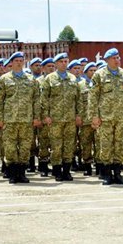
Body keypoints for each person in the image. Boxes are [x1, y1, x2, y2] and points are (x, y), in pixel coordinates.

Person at [0, 52, 42, 184]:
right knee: (10, 147)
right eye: (17, 60)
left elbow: (36, 100)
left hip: (27, 119)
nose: (19, 62)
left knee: (25, 147)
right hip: (9, 120)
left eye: (21, 60)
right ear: (11, 63)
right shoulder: (4, 80)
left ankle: (22, 173)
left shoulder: (31, 80)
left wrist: (37, 117)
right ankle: (13, 173)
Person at [88, 48, 123, 185]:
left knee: (120, 145)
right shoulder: (99, 75)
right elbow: (93, 97)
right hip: (105, 118)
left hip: (121, 118)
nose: (117, 60)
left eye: (118, 57)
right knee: (106, 146)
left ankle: (118, 174)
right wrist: (94, 116)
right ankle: (107, 174)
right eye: (114, 58)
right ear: (107, 60)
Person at [41, 53, 82, 182]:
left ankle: (67, 171)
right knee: (56, 146)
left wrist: (78, 115)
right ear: (56, 64)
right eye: (61, 61)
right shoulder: (49, 79)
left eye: (66, 61)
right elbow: (44, 99)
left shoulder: (73, 79)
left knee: (69, 146)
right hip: (55, 119)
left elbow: (79, 99)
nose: (64, 63)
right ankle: (57, 171)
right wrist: (46, 115)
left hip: (70, 119)